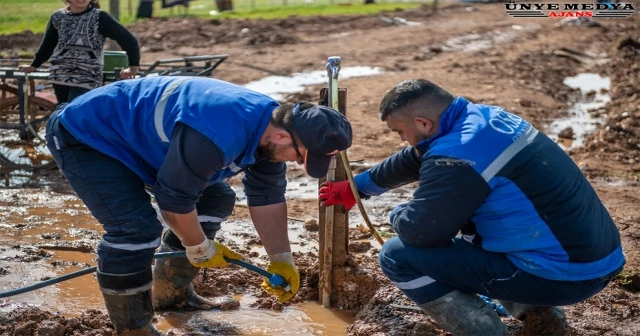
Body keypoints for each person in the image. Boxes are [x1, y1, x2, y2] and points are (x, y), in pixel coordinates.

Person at [45, 76, 352, 335]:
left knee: (215, 197)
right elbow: (173, 200)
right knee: (134, 231)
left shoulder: (270, 132)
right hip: (87, 136)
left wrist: (281, 258)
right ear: (283, 136)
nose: (298, 163)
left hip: (141, 141)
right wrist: (199, 247)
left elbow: (267, 196)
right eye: (300, 157)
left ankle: (170, 295)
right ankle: (134, 329)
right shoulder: (219, 133)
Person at [319, 79, 625, 335]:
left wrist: (396, 215)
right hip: (596, 260)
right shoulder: (483, 120)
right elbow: (415, 157)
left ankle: (486, 331)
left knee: (398, 256)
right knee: (480, 233)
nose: (403, 140)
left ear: (423, 123)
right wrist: (358, 188)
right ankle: (543, 320)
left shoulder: (457, 156)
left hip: (565, 277)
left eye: (401, 133)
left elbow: (422, 233)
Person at [19, 0, 140, 105]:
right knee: (63, 112)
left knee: (75, 112)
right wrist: (34, 65)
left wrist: (133, 67)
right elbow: (48, 44)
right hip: (60, 75)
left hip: (87, 75)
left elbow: (129, 40)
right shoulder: (57, 16)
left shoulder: (99, 17)